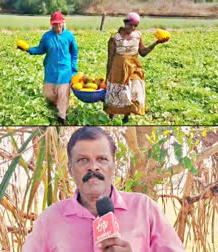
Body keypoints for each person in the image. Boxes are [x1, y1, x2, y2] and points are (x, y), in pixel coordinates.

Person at [22, 127, 185, 251]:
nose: (93, 167)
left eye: (102, 159)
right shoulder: (49, 220)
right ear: (70, 168)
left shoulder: (145, 209)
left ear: (114, 165)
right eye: (83, 160)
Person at [104, 12, 169, 123]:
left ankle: (126, 115)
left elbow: (142, 52)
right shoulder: (115, 38)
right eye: (130, 25)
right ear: (125, 23)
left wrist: (156, 43)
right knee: (116, 92)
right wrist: (108, 75)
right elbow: (110, 58)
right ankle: (112, 116)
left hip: (134, 66)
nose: (132, 28)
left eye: (135, 25)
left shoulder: (138, 35)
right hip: (118, 68)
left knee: (134, 91)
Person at [18, 11, 78, 125]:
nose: (58, 27)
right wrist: (28, 49)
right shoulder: (47, 37)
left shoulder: (69, 36)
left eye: (59, 24)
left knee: (63, 94)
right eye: (55, 25)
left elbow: (74, 53)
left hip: (65, 71)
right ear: (52, 24)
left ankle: (62, 117)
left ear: (63, 23)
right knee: (49, 94)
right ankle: (59, 105)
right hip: (51, 71)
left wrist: (74, 70)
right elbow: (40, 49)